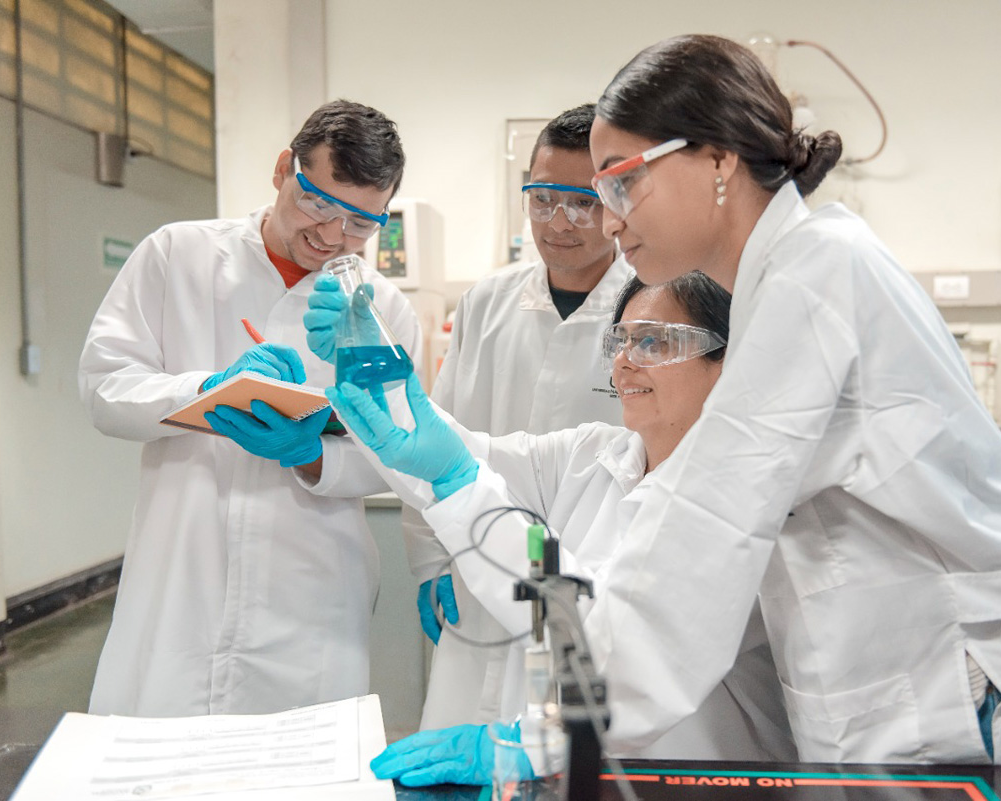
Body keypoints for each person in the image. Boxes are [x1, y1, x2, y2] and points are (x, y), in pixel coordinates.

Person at [570, 34, 1001, 766]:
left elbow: (710, 521)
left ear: (718, 158)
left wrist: (554, 731)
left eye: (622, 180)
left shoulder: (818, 272)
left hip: (960, 698)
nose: (609, 219)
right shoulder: (781, 279)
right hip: (897, 701)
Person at [322, 272, 795, 786]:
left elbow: (602, 635)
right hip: (576, 768)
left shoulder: (743, 502)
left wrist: (457, 482)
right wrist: (382, 384)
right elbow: (459, 457)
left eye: (655, 341)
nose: (626, 360)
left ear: (730, 361)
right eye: (622, 340)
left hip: (686, 781)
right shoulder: (592, 455)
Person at [78, 100, 422, 717]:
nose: (329, 236)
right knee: (160, 765)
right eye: (317, 202)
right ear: (284, 168)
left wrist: (316, 455)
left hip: (312, 586)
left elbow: (401, 450)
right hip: (182, 571)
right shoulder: (177, 256)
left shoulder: (383, 310)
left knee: (304, 767)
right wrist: (204, 390)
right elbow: (104, 388)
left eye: (360, 224)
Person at [403, 103, 633, 730]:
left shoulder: (650, 306)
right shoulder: (487, 302)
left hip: (591, 590)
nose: (557, 223)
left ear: (616, 201)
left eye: (582, 202)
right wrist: (431, 562)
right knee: (460, 758)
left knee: (569, 759)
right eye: (541, 199)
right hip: (478, 569)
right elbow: (436, 435)